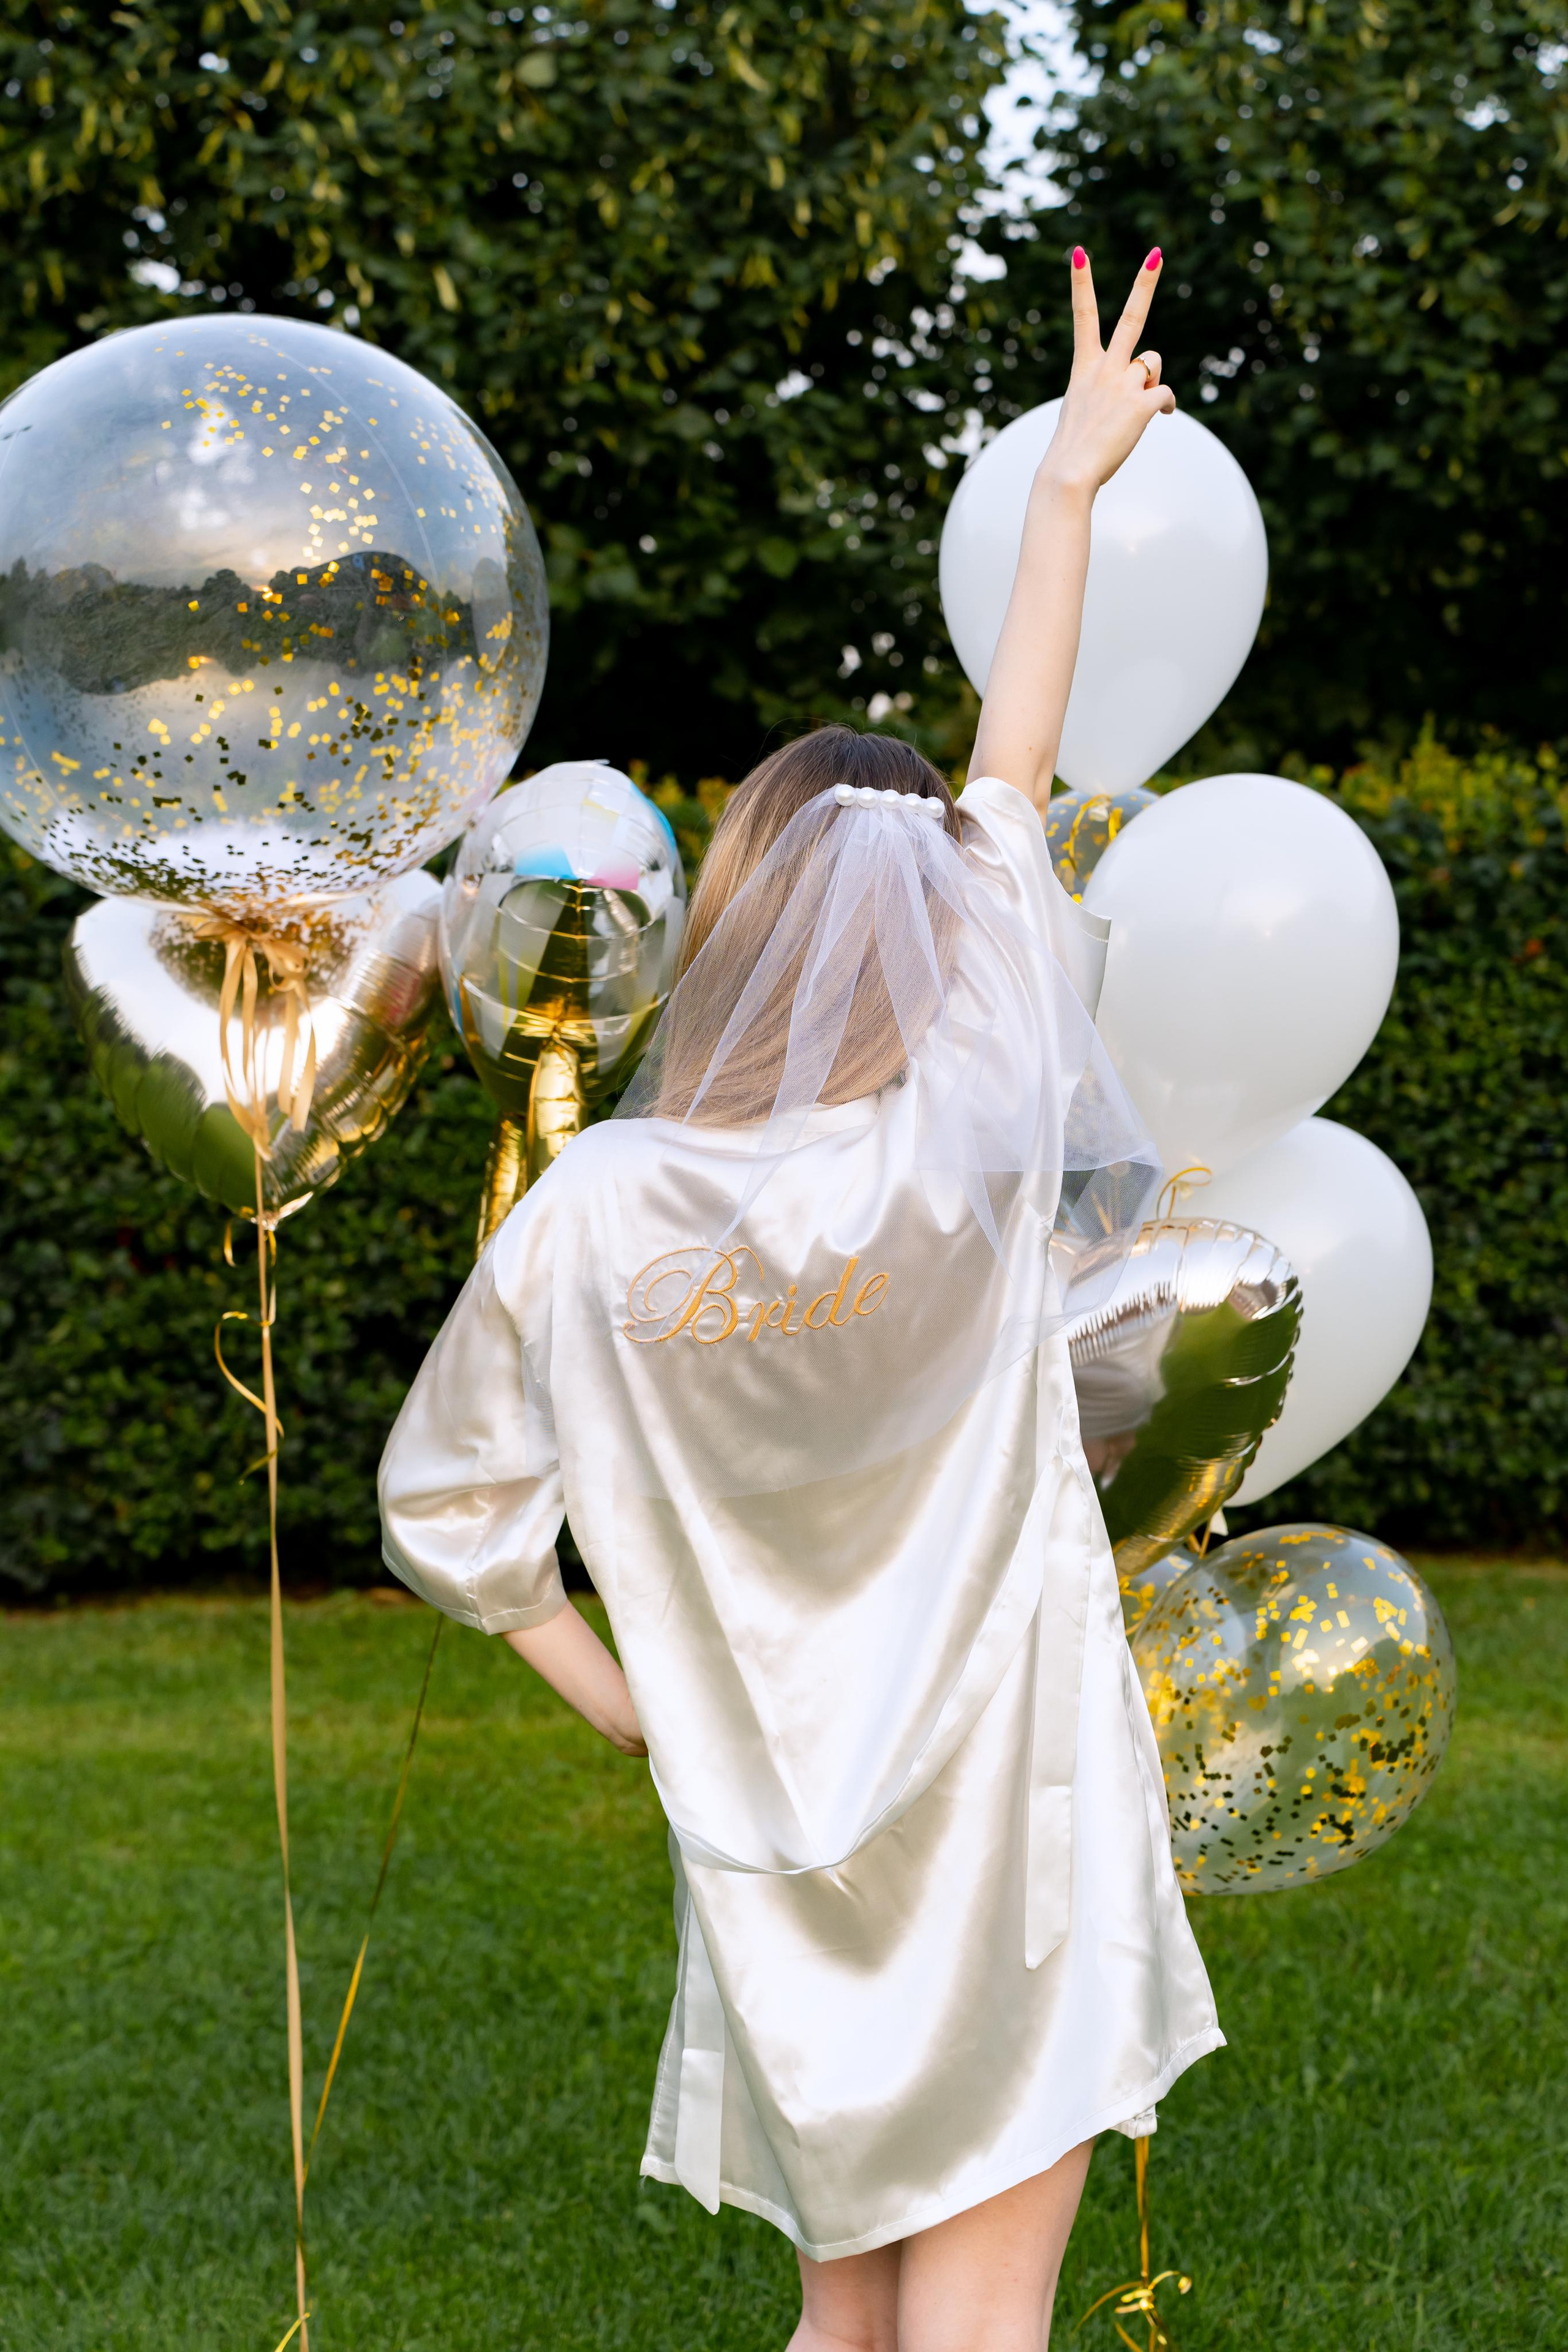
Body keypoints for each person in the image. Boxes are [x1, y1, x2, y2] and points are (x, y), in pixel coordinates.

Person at [379, 247, 1221, 2352]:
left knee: (848, 2316)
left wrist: (626, 1700)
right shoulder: (965, 1119)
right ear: (939, 928)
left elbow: (448, 1518)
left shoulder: (597, 1209)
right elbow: (1013, 774)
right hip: (1011, 1821)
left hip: (770, 1844)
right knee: (973, 2330)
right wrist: (1066, 496)